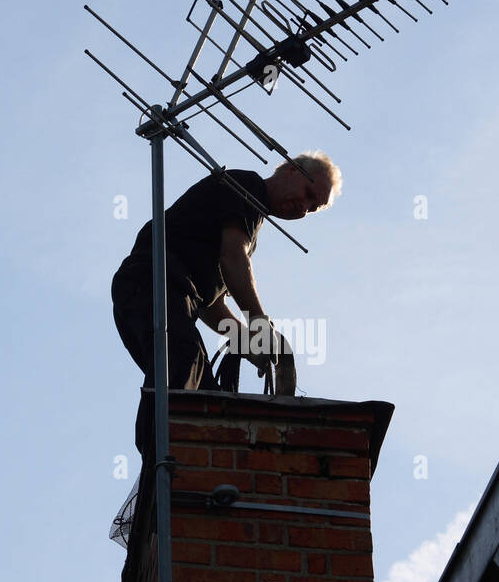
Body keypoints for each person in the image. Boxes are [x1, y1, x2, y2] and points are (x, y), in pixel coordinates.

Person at [112, 150, 341, 452]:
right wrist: (259, 323)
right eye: (309, 194)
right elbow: (233, 258)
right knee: (182, 369)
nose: (304, 207)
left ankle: (188, 473)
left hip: (171, 294)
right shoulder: (244, 186)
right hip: (153, 282)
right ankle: (160, 468)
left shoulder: (249, 229)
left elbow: (210, 305)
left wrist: (246, 341)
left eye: (313, 208)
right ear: (291, 170)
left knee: (208, 400)